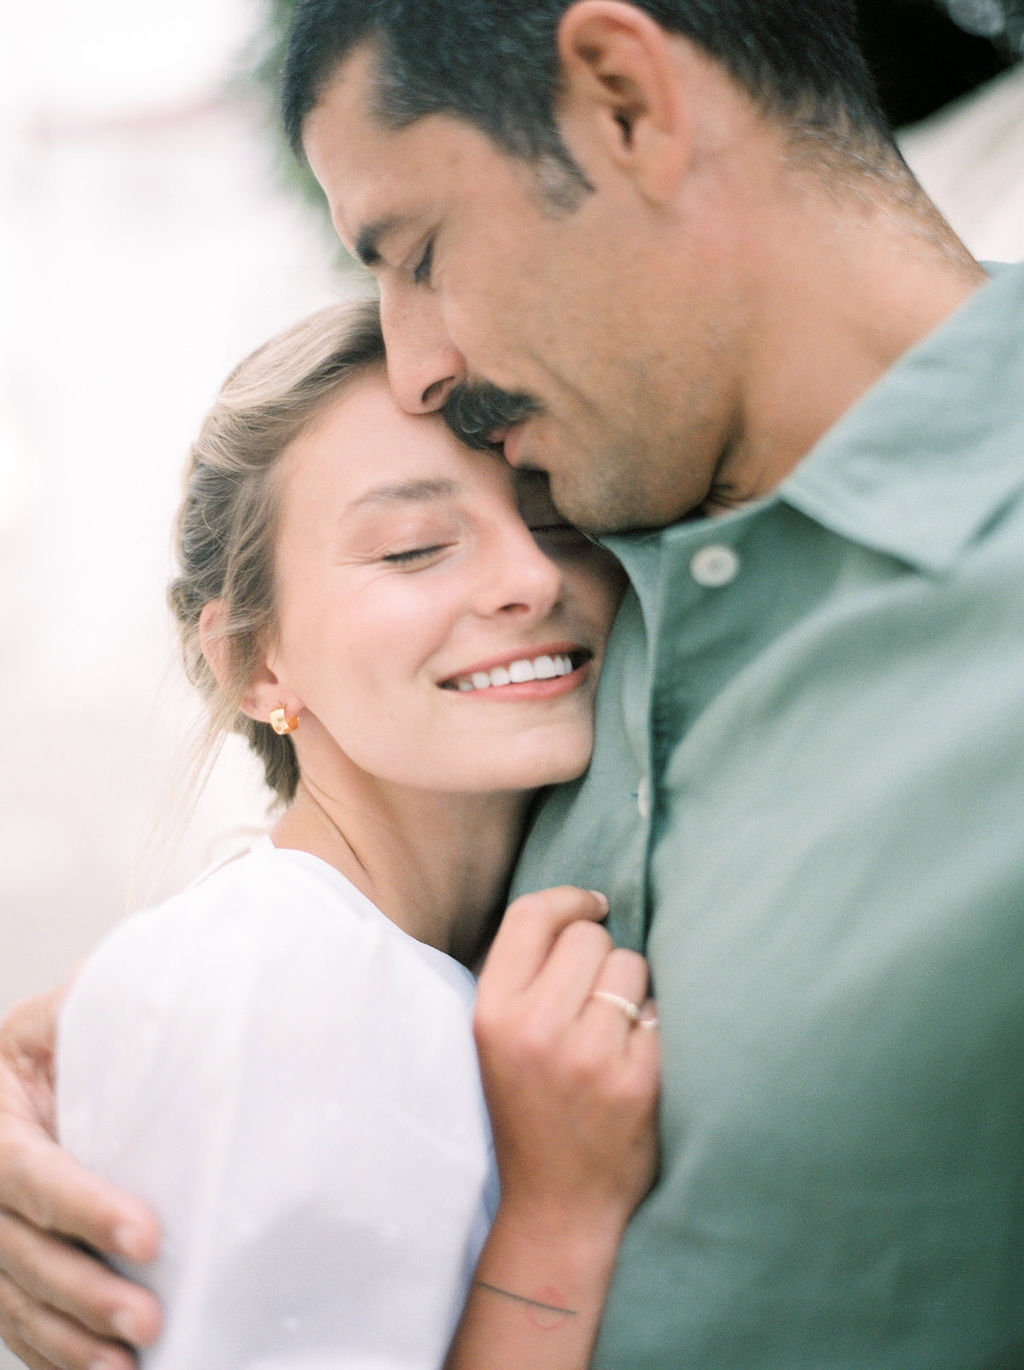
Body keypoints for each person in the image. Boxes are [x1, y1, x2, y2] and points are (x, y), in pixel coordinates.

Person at [3, 0, 1024, 1363]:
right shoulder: (608, 541)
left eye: (419, 252)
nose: (422, 365)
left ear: (621, 100)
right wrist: (107, 1064)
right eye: (425, 543)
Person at [0, 295, 658, 1370]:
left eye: (555, 522)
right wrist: (558, 1218)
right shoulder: (273, 975)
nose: (533, 579)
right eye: (412, 548)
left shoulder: (383, 959)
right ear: (255, 663)